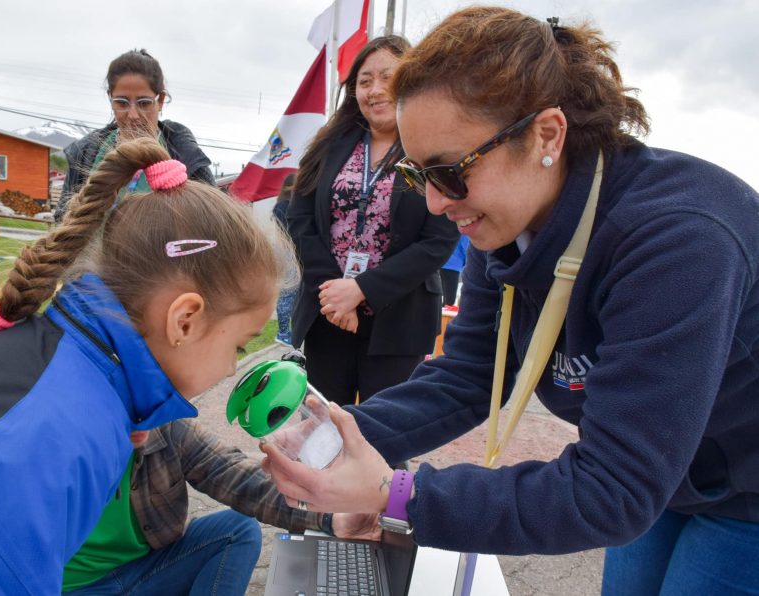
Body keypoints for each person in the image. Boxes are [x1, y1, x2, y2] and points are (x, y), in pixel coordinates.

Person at [263, 7, 759, 594]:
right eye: (419, 178)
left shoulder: (679, 240)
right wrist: (330, 436)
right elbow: (469, 376)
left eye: (449, 172)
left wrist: (397, 495)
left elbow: (614, 491)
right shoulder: (509, 223)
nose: (438, 206)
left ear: (547, 134)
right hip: (670, 473)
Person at [0, 136, 291, 594]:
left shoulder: (47, 363)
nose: (231, 370)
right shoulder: (65, 435)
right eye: (240, 347)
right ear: (184, 320)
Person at [288, 35, 458, 406]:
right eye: (365, 81)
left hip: (399, 317)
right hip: (328, 311)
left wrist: (362, 289)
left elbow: (438, 240)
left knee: (384, 432)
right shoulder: (328, 144)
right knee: (324, 427)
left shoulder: (435, 147)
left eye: (388, 77)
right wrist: (335, 293)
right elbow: (298, 218)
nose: (375, 90)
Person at [63, 421, 377, 595]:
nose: (229, 367)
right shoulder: (50, 442)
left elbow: (239, 477)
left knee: (237, 530)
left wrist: (331, 518)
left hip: (145, 569)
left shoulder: (164, 425)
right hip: (75, 588)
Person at [54, 49, 215, 223]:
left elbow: (215, 221)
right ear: (110, 98)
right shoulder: (85, 153)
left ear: (160, 100)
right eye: (121, 103)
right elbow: (62, 222)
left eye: (144, 103)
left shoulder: (185, 154)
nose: (133, 115)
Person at [272, 173, 298, 347]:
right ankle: (282, 332)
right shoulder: (284, 206)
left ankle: (288, 331)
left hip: (290, 250)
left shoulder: (283, 204)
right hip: (286, 250)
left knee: (294, 292)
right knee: (287, 292)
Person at [439, 235, 469, 308]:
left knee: (443, 297)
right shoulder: (464, 232)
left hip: (441, 263)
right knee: (450, 300)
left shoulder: (449, 227)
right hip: (453, 266)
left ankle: (441, 316)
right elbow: (467, 249)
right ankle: (445, 317)